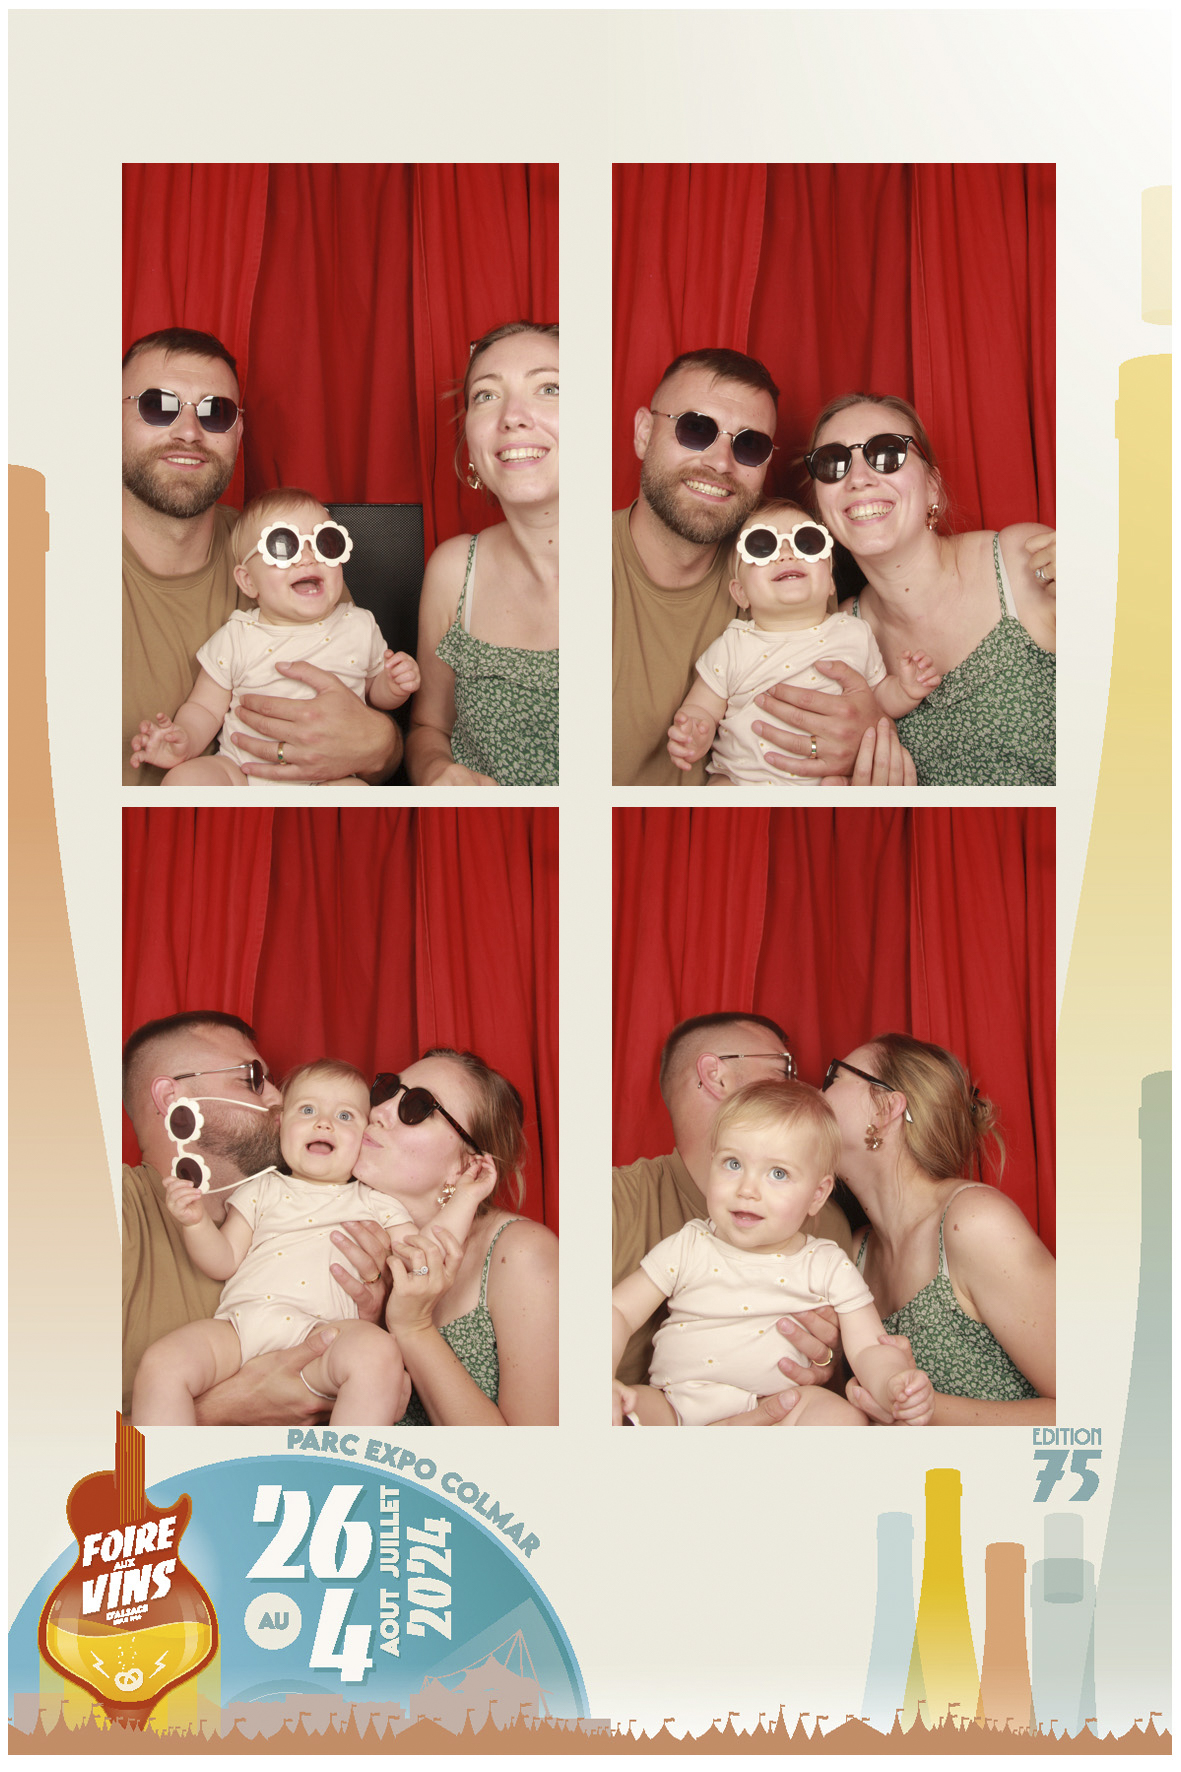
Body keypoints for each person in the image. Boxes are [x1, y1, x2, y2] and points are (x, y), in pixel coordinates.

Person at [612, 349, 908, 787]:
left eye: (749, 444)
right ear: (643, 432)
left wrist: (866, 732)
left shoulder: (791, 562)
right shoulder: (567, 569)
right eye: (695, 428)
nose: (720, 462)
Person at [123, 326, 402, 787]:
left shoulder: (295, 550)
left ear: (238, 432)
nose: (189, 432)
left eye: (216, 412)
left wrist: (381, 741)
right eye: (158, 405)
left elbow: (375, 746)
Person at [612, 1080, 933, 1427]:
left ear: (817, 1195)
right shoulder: (689, 1244)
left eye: (778, 1173)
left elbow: (869, 1347)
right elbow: (619, 1311)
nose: (747, 1189)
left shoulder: (825, 1264)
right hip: (674, 1404)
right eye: (733, 1164)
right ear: (711, 1163)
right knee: (624, 1405)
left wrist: (892, 1384)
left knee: (842, 1416)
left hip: (777, 1411)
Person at [122, 1012, 393, 1423]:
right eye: (252, 1078)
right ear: (171, 1097)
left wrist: (369, 1314)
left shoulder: (354, 1202)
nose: (278, 1100)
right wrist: (229, 1408)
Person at [797, 393, 1056, 785]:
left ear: (932, 486)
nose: (859, 478)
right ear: (821, 508)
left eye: (887, 453)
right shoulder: (839, 633)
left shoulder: (1021, 561)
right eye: (832, 463)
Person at [613, 1012, 852, 1422]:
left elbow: (844, 1369)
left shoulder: (822, 1224)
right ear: (716, 1076)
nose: (803, 1088)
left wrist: (831, 1358)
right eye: (783, 1071)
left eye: (778, 1175)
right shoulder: (613, 1203)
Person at [821, 1034, 1056, 1424]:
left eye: (834, 1077)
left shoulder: (975, 1223)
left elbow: (1095, 1409)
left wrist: (916, 1408)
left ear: (886, 1108)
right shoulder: (854, 1253)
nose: (817, 1092)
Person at [129, 489, 419, 786]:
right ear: (248, 581)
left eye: (325, 543)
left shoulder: (358, 624)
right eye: (283, 547)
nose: (308, 559)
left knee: (355, 791)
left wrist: (393, 685)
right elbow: (204, 707)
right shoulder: (237, 635)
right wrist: (185, 739)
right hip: (241, 771)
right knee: (185, 780)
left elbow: (374, 692)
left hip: (327, 777)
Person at [668, 499, 940, 784]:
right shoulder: (732, 645)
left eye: (807, 543)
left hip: (826, 783)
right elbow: (703, 706)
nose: (786, 554)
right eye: (762, 546)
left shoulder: (854, 633)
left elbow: (878, 699)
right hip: (744, 781)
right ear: (740, 593)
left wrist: (905, 690)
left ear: (830, 582)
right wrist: (694, 731)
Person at [355, 1051, 559, 1426]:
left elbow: (533, 1457)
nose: (379, 1112)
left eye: (417, 1107)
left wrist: (414, 1327)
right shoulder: (342, 1227)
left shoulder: (521, 1253)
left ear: (467, 1166)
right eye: (386, 1089)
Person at [407, 322, 558, 787]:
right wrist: (436, 771)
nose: (512, 416)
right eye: (486, 395)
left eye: (550, 388)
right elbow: (428, 728)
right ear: (471, 448)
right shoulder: (454, 571)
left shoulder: (635, 562)